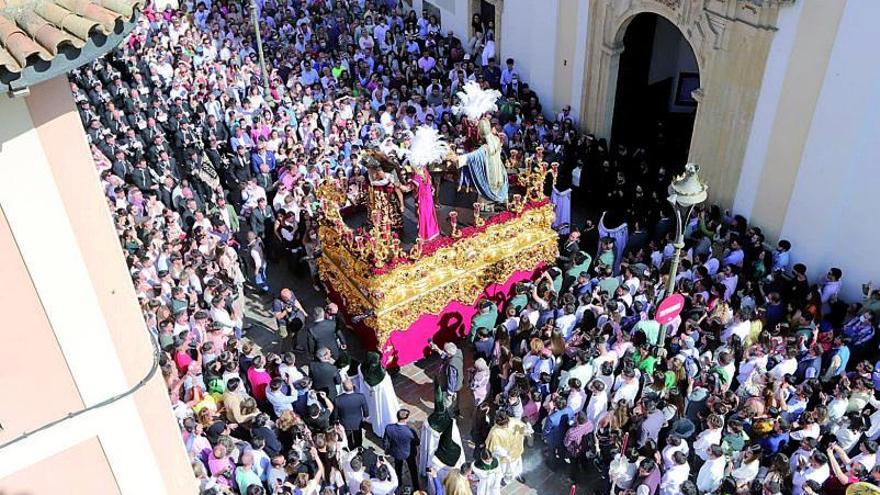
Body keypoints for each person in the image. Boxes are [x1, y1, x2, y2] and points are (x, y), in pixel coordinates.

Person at [358, 352, 400, 437]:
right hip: (383, 398)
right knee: (383, 409)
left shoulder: (360, 368)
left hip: (368, 395)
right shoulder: (383, 377)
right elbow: (389, 390)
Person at [485, 411, 530, 484]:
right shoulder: (514, 422)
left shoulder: (496, 431)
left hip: (511, 454)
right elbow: (525, 431)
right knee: (511, 468)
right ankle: (511, 477)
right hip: (510, 455)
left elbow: (493, 447)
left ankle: (513, 477)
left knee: (512, 467)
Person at [384, 408, 421, 491]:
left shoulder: (389, 428)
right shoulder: (410, 431)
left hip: (397, 453)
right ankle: (416, 487)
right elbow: (417, 442)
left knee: (398, 468)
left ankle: (399, 483)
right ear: (406, 419)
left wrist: (387, 451)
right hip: (409, 453)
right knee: (413, 470)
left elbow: (386, 442)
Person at [334, 379, 370, 449]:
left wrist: (336, 421)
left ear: (343, 388)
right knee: (358, 436)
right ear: (353, 386)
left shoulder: (337, 399)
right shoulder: (360, 397)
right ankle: (359, 448)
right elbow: (365, 408)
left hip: (345, 423)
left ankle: (351, 448)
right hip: (357, 422)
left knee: (348, 438)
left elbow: (336, 413)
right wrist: (366, 416)